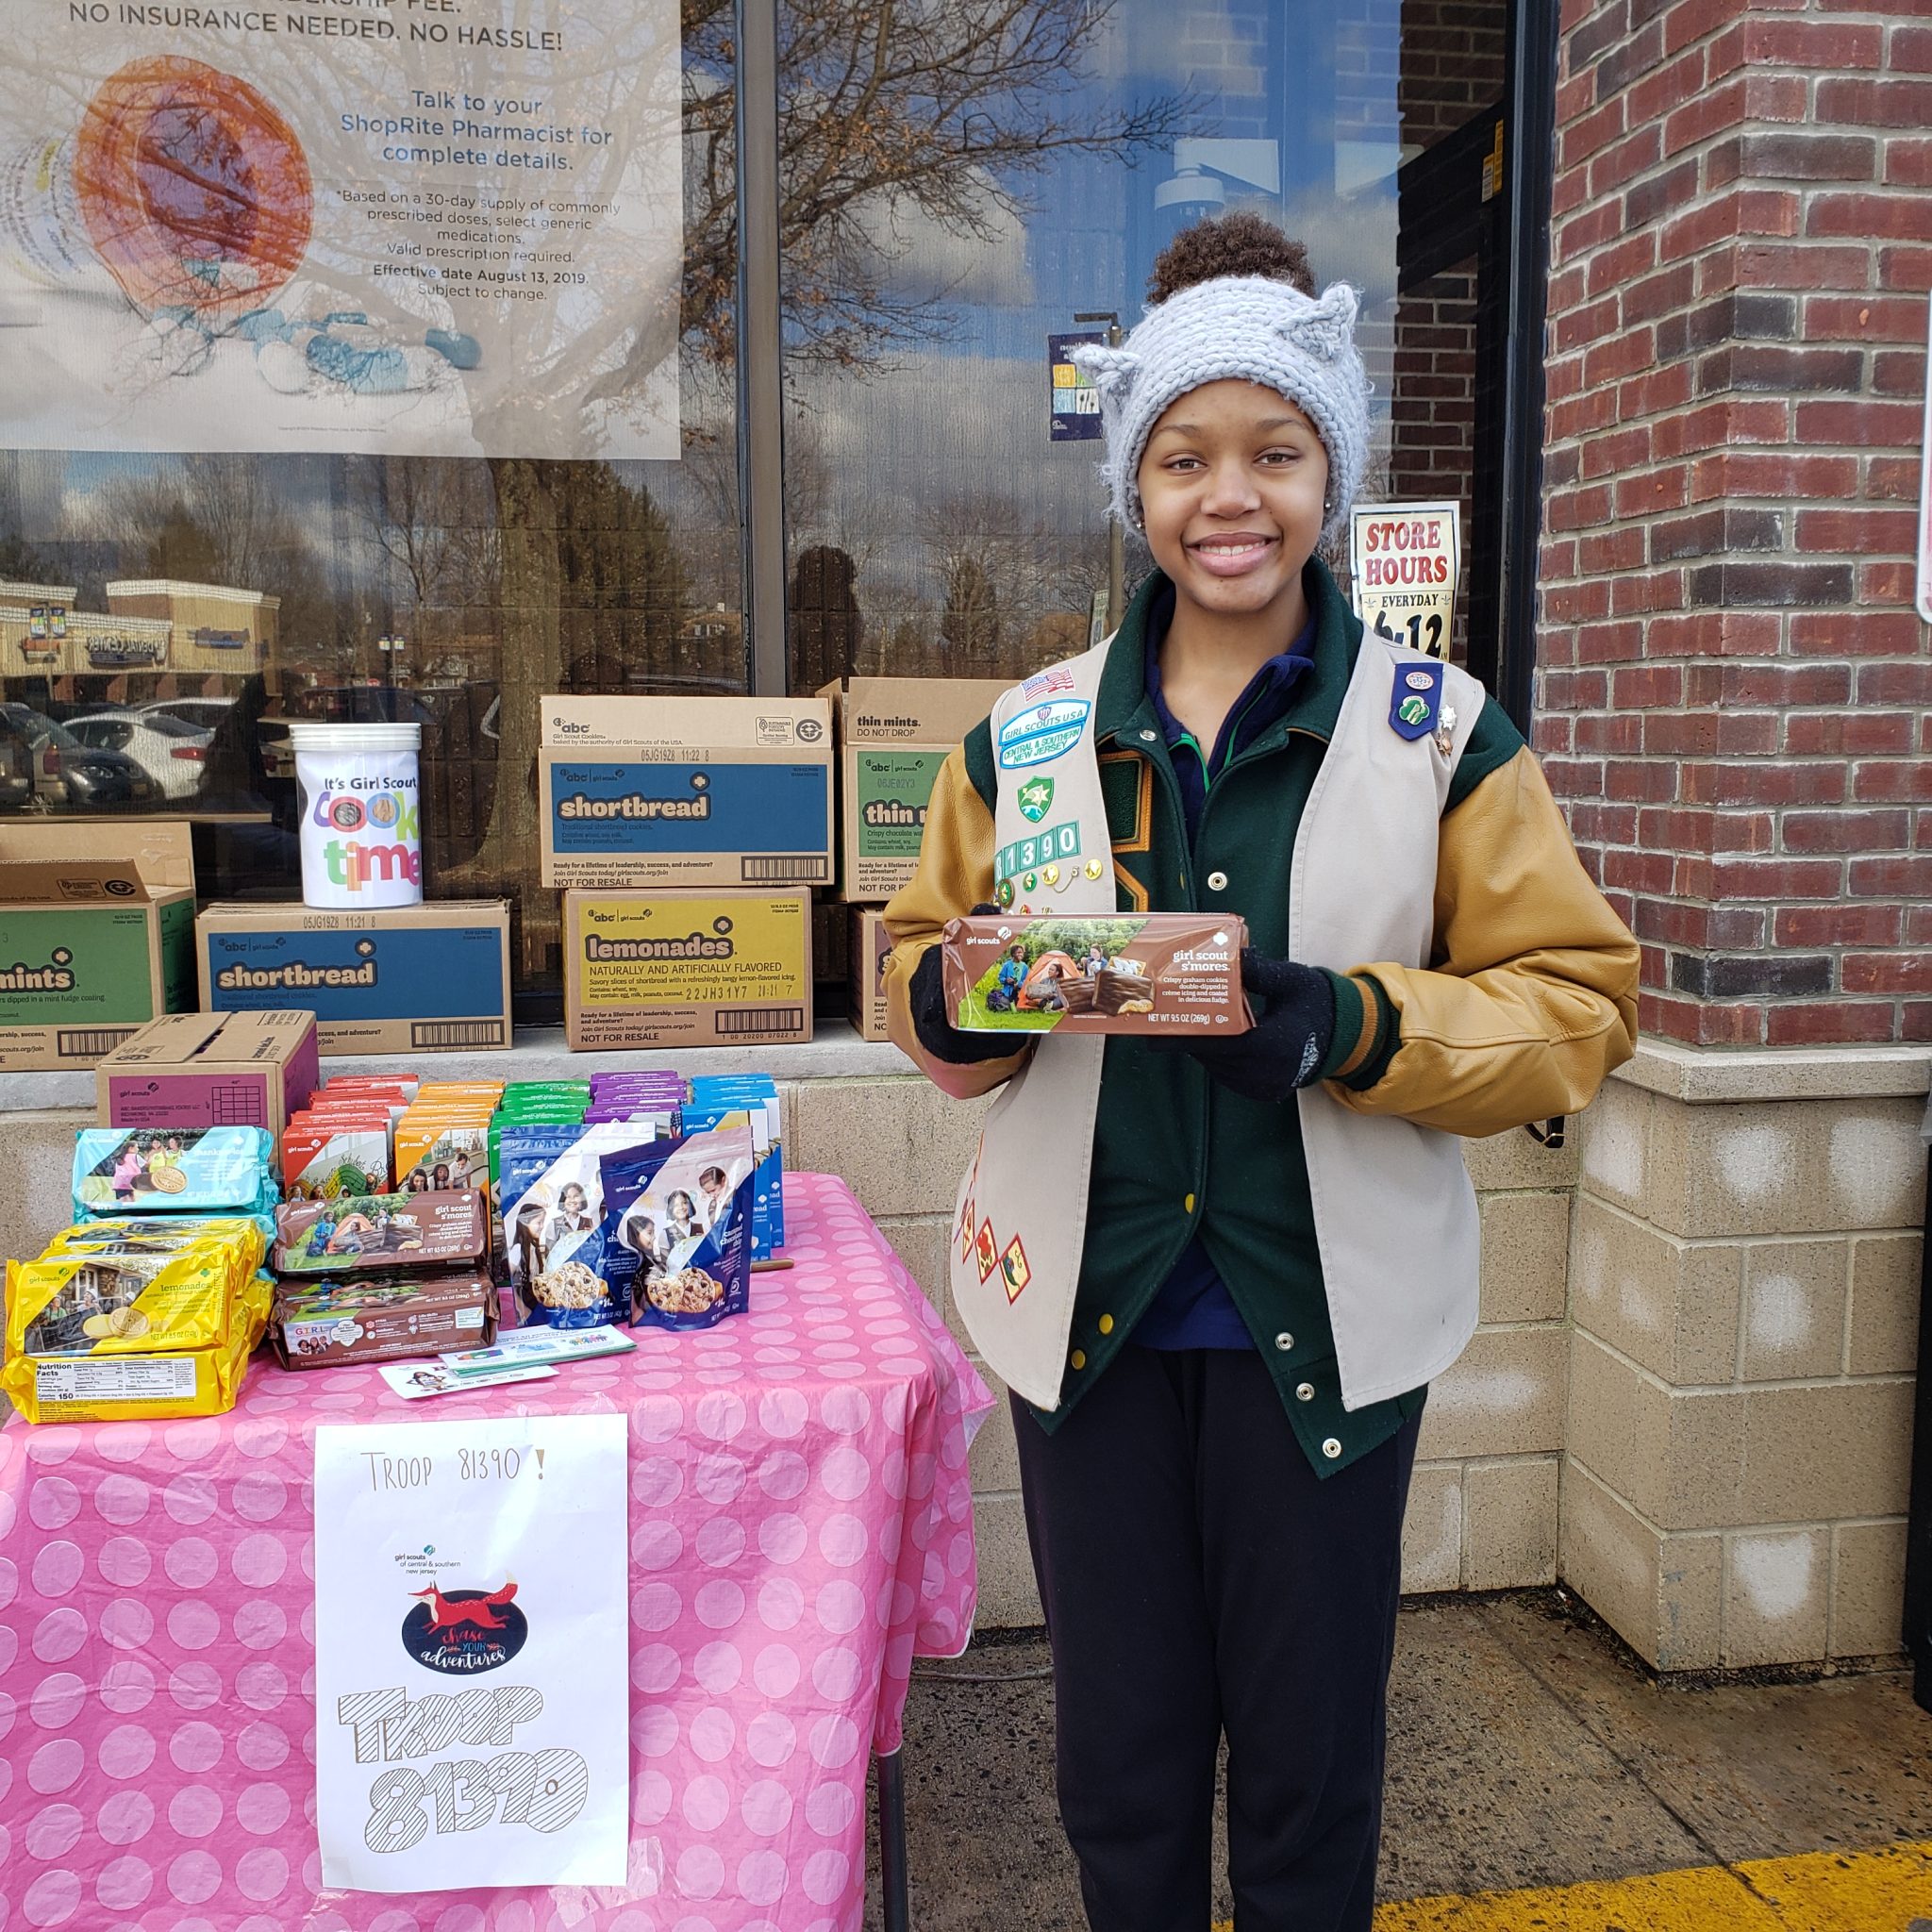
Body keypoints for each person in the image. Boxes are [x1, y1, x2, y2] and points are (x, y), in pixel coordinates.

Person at [881, 212, 1640, 1932]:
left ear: (1332, 477)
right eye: (1185, 457)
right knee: (1120, 1769)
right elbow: (919, 994)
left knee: (1309, 1775)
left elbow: (1579, 1002)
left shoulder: (1438, 736)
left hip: (1334, 1329)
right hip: (1087, 1325)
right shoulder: (1028, 733)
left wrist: (1353, 1027)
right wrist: (974, 1000)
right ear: (1136, 491)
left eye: (1277, 453)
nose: (1232, 496)